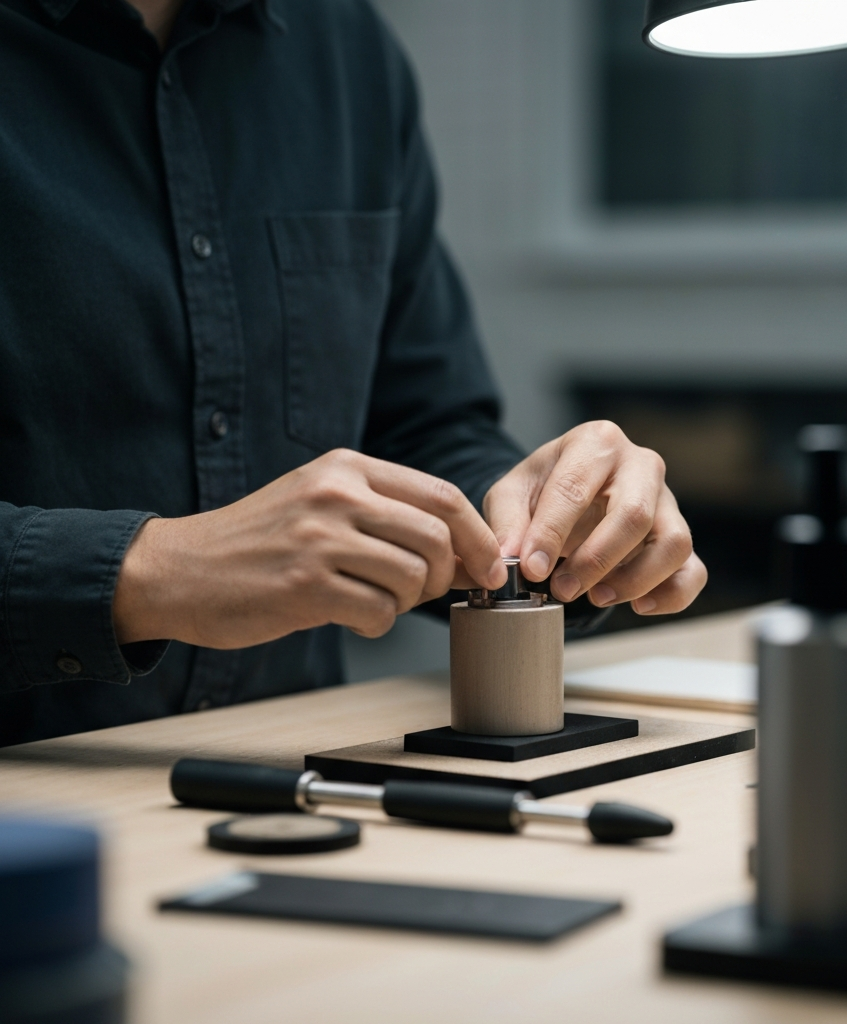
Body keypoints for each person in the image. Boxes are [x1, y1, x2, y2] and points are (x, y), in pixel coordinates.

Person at [0, 0, 707, 746]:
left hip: (292, 781)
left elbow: (420, 426)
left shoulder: (343, 45)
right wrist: (148, 574)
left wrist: (544, 526)